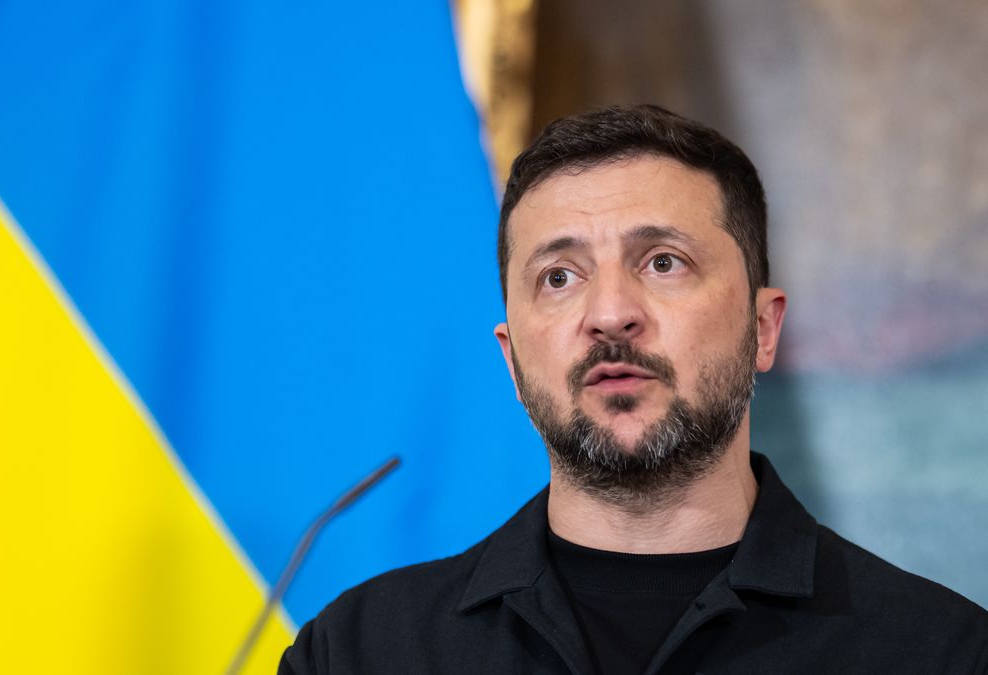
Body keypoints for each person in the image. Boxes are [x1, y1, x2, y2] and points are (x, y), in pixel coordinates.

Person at [278, 105, 988, 674]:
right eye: (559, 276)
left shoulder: (941, 651)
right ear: (513, 360)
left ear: (763, 329)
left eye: (663, 262)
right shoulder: (361, 652)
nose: (610, 311)